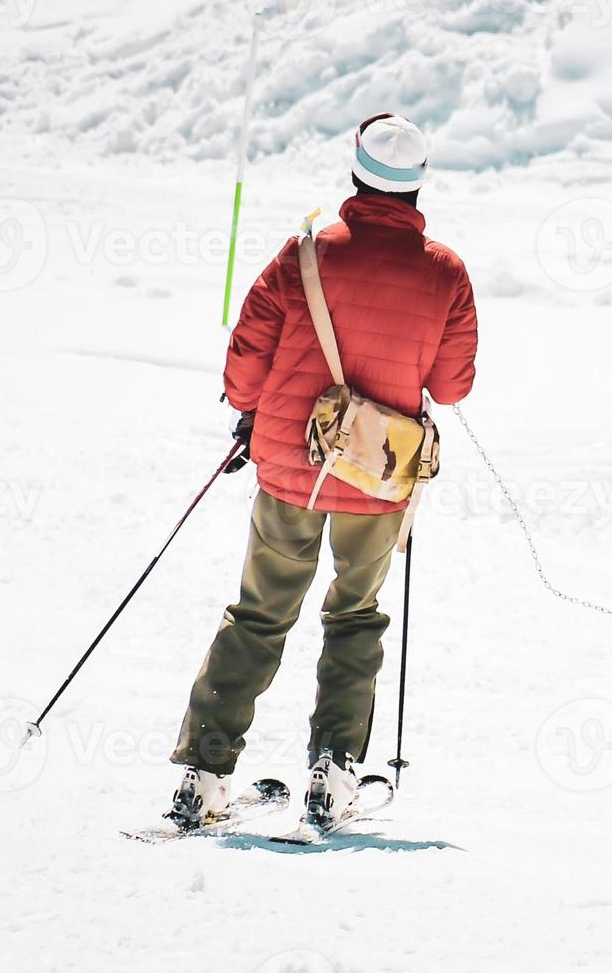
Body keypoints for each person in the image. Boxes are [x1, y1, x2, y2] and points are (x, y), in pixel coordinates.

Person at [167, 113, 478, 826]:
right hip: (379, 477)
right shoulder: (445, 272)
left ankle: (203, 777)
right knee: (355, 617)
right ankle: (333, 774)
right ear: (419, 186)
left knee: (258, 615)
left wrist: (247, 414)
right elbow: (454, 385)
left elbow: (248, 348)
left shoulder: (303, 252)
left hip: (287, 461)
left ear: (357, 174)